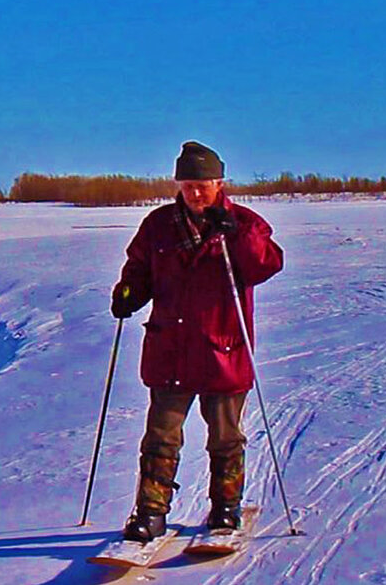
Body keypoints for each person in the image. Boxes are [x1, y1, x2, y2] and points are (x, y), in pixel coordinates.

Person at [111, 141, 284, 542]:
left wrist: (236, 235)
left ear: (219, 182)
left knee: (225, 437)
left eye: (203, 184)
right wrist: (128, 294)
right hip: (169, 350)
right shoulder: (158, 225)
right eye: (188, 184)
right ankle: (150, 512)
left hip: (222, 350)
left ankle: (225, 508)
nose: (196, 193)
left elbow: (266, 265)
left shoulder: (243, 222)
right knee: (160, 435)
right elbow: (140, 269)